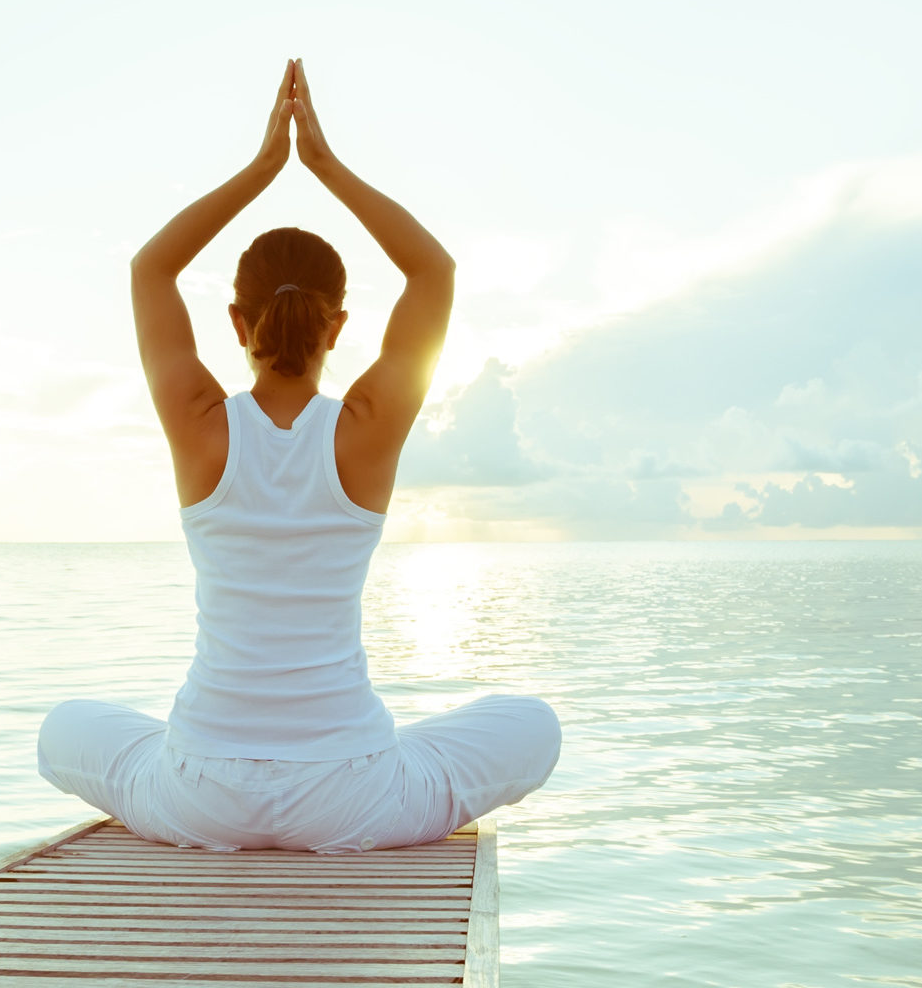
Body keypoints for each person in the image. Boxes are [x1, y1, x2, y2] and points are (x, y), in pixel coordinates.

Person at [37, 60, 560, 853]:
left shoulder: (201, 424)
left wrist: (262, 169)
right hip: (350, 795)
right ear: (339, 326)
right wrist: (322, 165)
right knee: (533, 725)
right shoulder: (365, 428)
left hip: (201, 791)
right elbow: (433, 271)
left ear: (238, 322)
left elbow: (151, 268)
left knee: (63, 729)